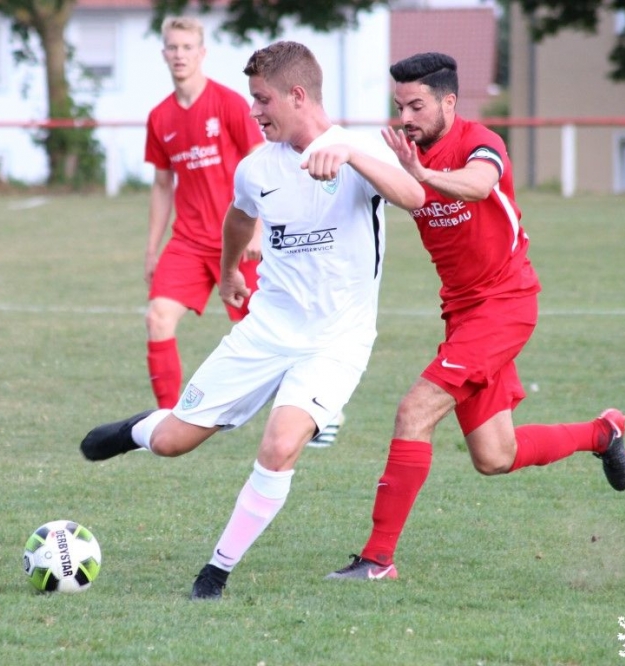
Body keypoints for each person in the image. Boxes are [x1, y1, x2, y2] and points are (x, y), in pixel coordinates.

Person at [81, 41, 425, 600]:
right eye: (252, 99)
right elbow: (239, 220)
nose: (254, 111)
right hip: (267, 330)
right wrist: (226, 274)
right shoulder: (256, 168)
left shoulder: (359, 150)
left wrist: (351, 156)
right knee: (171, 442)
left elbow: (414, 196)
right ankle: (140, 428)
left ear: (297, 95)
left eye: (263, 99)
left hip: (336, 341)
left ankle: (214, 573)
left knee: (280, 444)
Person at [326, 52, 625, 582]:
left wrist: (422, 173)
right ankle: (602, 434)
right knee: (495, 455)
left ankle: (377, 560)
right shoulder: (403, 152)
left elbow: (480, 184)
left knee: (414, 412)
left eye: (417, 106)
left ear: (449, 102)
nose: (406, 118)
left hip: (506, 304)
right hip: (462, 314)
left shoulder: (480, 142)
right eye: (400, 106)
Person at [144, 17, 344, 448]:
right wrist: (151, 248)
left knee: (275, 333)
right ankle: (169, 418)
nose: (179, 54)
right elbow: (162, 185)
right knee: (158, 317)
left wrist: (256, 230)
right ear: (163, 53)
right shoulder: (159, 117)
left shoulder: (231, 104)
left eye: (187, 47)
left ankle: (320, 405)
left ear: (202, 53)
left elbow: (265, 162)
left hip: (239, 240)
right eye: (172, 47)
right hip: (188, 241)